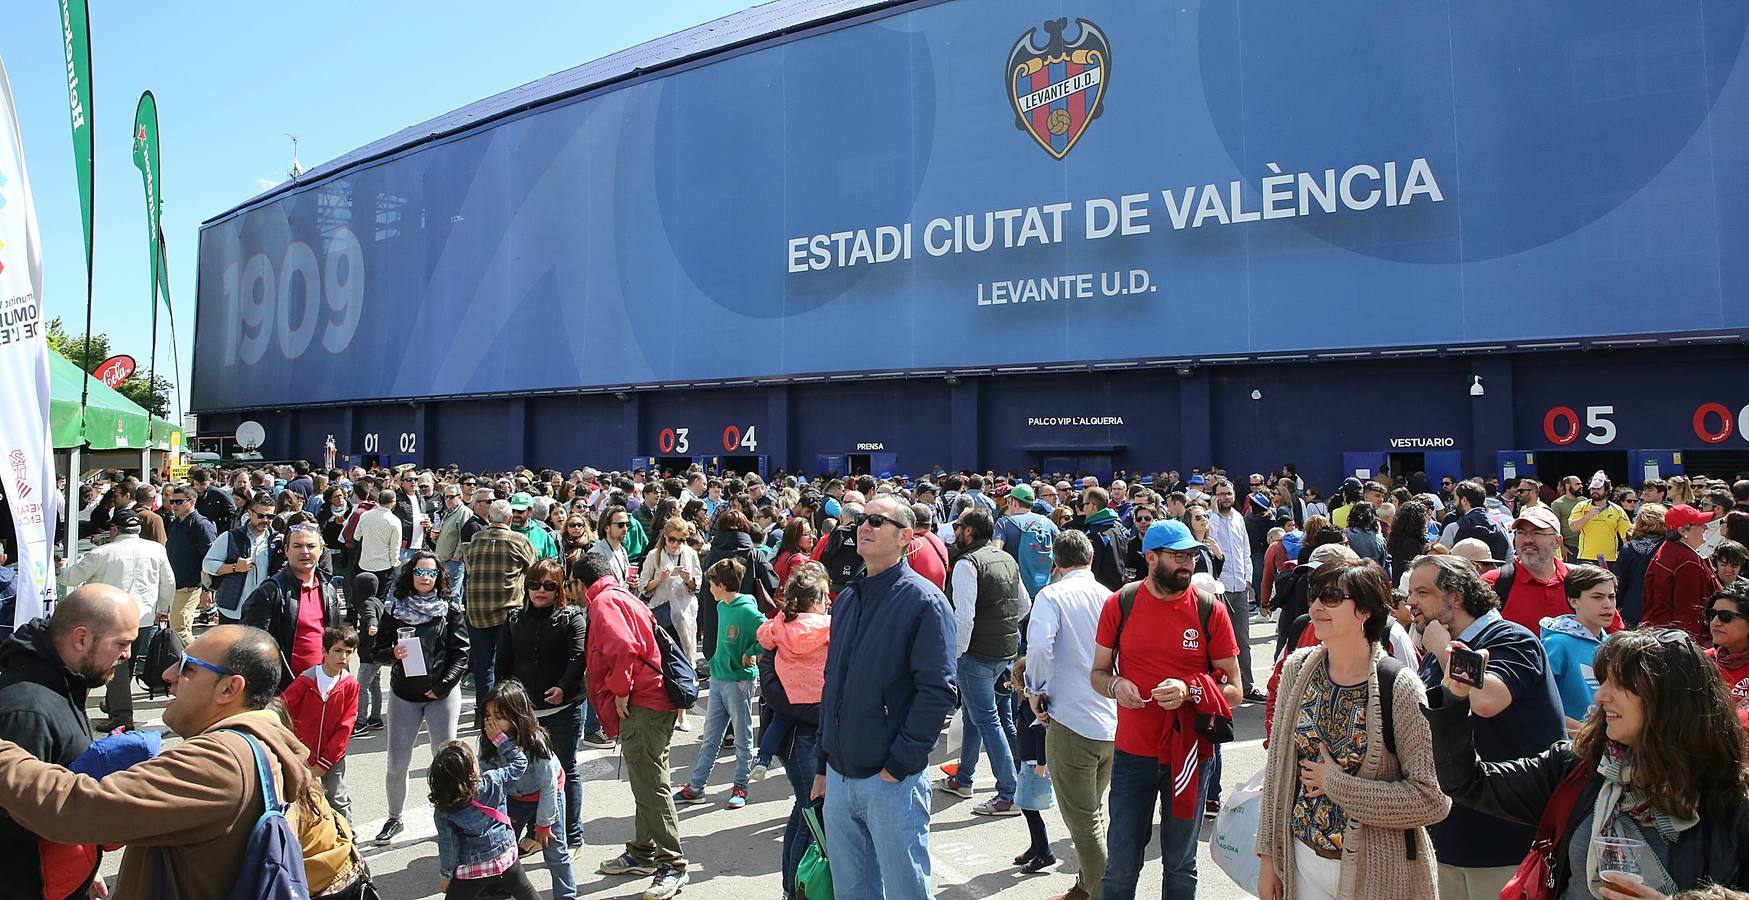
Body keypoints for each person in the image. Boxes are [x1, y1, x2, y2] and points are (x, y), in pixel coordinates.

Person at [1427, 628, 1749, 899]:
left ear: (1669, 700)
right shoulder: (1577, 769)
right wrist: (1455, 699)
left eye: (1619, 684)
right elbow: (1467, 782)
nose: (1600, 696)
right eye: (1601, 681)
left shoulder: (1732, 800)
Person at [0, 625, 313, 899]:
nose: (168, 674)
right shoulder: (263, 743)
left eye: (187, 667)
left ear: (230, 688)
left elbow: (74, 807)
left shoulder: (221, 762)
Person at [1255, 559, 1448, 900]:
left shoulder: (1399, 685)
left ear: (1364, 612)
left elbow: (1431, 800)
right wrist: (1269, 859)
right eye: (1314, 595)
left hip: (1377, 872)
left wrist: (1336, 784)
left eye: (1330, 597)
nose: (1315, 606)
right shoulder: (1298, 669)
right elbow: (1277, 774)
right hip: (1301, 861)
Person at [811, 497, 956, 899]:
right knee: (851, 892)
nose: (864, 526)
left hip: (891, 782)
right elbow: (832, 683)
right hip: (840, 778)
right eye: (861, 519)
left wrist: (900, 764)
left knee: (906, 891)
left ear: (906, 537)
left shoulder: (923, 602)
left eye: (877, 520)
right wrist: (824, 764)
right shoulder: (849, 598)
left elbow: (938, 691)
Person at [1090, 519, 1243, 900]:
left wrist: (1190, 689)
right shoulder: (1120, 603)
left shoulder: (1209, 608)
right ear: (1151, 557)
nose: (1188, 564)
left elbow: (1236, 690)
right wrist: (1115, 684)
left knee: (1180, 864)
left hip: (1190, 755)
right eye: (1178, 556)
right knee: (1121, 865)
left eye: (1192, 555)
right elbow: (1097, 673)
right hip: (1132, 754)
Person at [1403, 554, 1566, 900]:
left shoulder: (1511, 638)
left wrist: (1441, 648)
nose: (1410, 603)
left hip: (1507, 842)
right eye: (1410, 593)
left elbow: (1486, 700)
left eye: (1422, 592)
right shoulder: (1438, 653)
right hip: (1450, 837)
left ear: (1456, 597)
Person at [0, 585, 139, 900]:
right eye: (121, 643)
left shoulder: (66, 679)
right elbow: (15, 821)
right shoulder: (26, 711)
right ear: (81, 639)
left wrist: (84, 866)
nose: (127, 655)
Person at [576, 552, 688, 900]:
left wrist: (621, 691)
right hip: (655, 701)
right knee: (646, 781)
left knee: (652, 784)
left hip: (643, 703)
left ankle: (673, 865)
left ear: (580, 584)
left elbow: (623, 646)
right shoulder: (621, 594)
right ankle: (642, 853)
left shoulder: (604, 601)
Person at [1024, 529, 1119, 900]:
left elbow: (1039, 648)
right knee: (1091, 812)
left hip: (1072, 721)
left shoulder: (1052, 595)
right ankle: (1084, 887)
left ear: (1055, 563)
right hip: (1111, 720)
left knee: (1084, 822)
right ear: (1091, 559)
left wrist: (1035, 690)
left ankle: (1102, 892)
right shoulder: (1110, 596)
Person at [373, 550, 470, 846]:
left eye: (431, 573)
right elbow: (376, 651)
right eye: (419, 572)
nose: (425, 578)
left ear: (439, 576)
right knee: (397, 762)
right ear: (410, 574)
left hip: (441, 694)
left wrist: (441, 686)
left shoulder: (450, 608)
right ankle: (394, 816)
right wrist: (392, 653)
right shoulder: (395, 608)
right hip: (405, 693)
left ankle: (451, 814)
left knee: (445, 760)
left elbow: (462, 654)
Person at [939, 506, 1028, 815]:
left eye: (959, 526)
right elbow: (1023, 606)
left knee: (987, 718)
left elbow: (963, 618)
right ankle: (965, 778)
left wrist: (957, 653)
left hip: (977, 654)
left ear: (969, 532)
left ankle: (1009, 793)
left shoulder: (967, 563)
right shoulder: (1005, 558)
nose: (955, 531)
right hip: (1004, 651)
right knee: (988, 715)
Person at [494, 557, 588, 848]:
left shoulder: (571, 617)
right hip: (525, 713)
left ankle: (572, 837)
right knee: (523, 771)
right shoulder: (514, 619)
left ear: (559, 588)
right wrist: (500, 703)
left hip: (563, 710)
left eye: (549, 585)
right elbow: (503, 665)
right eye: (534, 584)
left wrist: (562, 687)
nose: (541, 590)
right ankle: (533, 833)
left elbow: (578, 658)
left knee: (564, 770)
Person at [60, 509, 175, 732]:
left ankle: (121, 714)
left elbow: (71, 578)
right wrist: (163, 608)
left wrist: (62, 567)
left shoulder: (102, 553)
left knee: (116, 665)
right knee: (127, 664)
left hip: (110, 618)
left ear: (114, 529)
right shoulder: (156, 549)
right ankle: (114, 705)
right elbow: (168, 581)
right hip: (143, 615)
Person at [675, 557, 764, 809]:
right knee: (711, 738)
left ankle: (741, 787)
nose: (709, 588)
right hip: (718, 679)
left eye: (711, 583)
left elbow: (769, 633)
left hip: (739, 682)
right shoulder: (722, 606)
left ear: (722, 585)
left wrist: (751, 651)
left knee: (743, 737)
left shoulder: (747, 610)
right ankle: (696, 787)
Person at [478, 680, 576, 900]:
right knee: (503, 849)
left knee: (555, 852)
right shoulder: (486, 743)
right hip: (514, 798)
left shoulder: (536, 743)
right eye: (487, 715)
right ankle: (501, 888)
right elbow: (490, 782)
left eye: (499, 716)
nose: (491, 722)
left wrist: (543, 824)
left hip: (546, 797)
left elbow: (549, 785)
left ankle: (567, 895)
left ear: (517, 716)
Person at [428, 726, 541, 900]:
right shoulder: (492, 781)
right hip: (506, 857)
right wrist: (501, 740)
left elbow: (448, 847)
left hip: (473, 870)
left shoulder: (444, 810)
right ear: (472, 769)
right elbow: (519, 764)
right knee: (527, 893)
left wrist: (446, 876)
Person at [751, 565, 831, 782]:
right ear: (815, 602)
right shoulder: (828, 625)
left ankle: (762, 759)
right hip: (819, 693)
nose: (829, 602)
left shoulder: (782, 624)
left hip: (788, 692)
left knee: (778, 723)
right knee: (812, 797)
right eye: (825, 597)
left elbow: (763, 638)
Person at [242, 523, 344, 691]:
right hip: (284, 692)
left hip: (322, 688)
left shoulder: (328, 590)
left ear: (321, 549)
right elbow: (251, 650)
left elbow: (336, 640)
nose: (305, 551)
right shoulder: (270, 592)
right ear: (287, 550)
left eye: (311, 546)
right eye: (298, 546)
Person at [281, 624, 360, 819]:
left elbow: (345, 727)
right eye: (338, 651)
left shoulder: (350, 685)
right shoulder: (305, 680)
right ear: (324, 651)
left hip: (332, 758)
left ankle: (348, 840)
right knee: (297, 800)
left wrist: (324, 763)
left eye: (349, 652)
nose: (343, 657)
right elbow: (281, 709)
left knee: (337, 799)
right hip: (302, 756)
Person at [462, 499, 536, 702]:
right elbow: (534, 572)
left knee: (483, 664)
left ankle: (483, 710)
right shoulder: (519, 540)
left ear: (489, 518)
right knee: (508, 664)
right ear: (510, 518)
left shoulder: (476, 538)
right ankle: (506, 708)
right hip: (508, 612)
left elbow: (469, 567)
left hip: (477, 613)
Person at [1208, 478, 1266, 701]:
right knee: (1218, 640)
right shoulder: (1210, 519)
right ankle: (1219, 686)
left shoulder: (1239, 519)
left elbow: (1245, 550)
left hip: (1239, 586)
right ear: (1214, 496)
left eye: (1228, 493)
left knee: (1242, 639)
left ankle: (1247, 686)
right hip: (1218, 587)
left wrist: (1247, 578)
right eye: (1220, 494)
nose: (1225, 498)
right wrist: (1212, 512)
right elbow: (1209, 538)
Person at [1540, 564, 1617, 730]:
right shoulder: (1557, 644)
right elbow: (1537, 702)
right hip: (1568, 745)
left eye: (1611, 597)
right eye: (1597, 597)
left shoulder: (1612, 644)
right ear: (1573, 600)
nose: (1607, 604)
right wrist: (1580, 731)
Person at [1642, 504, 1724, 641]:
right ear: (1682, 530)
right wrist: (1692, 646)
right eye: (1700, 524)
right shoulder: (1687, 561)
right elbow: (1689, 611)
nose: (1706, 527)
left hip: (1660, 633)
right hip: (1676, 640)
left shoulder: (1669, 549)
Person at [639, 518, 702, 689]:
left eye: (681, 540)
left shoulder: (690, 553)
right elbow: (643, 586)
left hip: (685, 613)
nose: (676, 544)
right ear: (665, 537)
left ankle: (682, 702)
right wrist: (659, 578)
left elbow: (697, 585)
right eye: (672, 539)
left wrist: (689, 580)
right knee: (667, 660)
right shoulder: (654, 555)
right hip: (662, 612)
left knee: (685, 656)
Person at [163, 484, 216, 646]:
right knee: (176, 627)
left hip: (190, 586)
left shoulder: (201, 525)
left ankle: (202, 661)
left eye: (178, 502)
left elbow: (209, 559)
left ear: (192, 502)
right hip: (175, 584)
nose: (173, 506)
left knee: (180, 629)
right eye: (172, 502)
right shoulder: (176, 523)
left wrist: (207, 590)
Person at [1614, 503, 1668, 627]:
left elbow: (1619, 581)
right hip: (1659, 606)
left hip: (1632, 605)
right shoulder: (1668, 548)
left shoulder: (1628, 548)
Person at [1075, 486, 1129, 591]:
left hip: (1100, 592)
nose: (1083, 508)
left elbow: (1091, 569)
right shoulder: (1118, 526)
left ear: (1091, 506)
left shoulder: (1094, 534)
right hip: (1119, 590)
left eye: (1084, 504)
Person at [1569, 474, 1632, 564]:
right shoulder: (1581, 506)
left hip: (1609, 559)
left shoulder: (1617, 510)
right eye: (1592, 488)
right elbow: (1573, 527)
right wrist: (1587, 516)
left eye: (1598, 488)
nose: (1594, 491)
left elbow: (1627, 536)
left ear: (1606, 491)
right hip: (1586, 557)